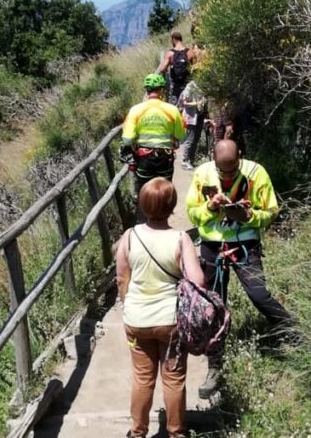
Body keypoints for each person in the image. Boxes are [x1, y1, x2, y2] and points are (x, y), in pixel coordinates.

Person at [185, 139, 292, 399]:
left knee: (258, 294)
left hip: (246, 245)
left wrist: (249, 217)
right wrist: (210, 208)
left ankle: (293, 332)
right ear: (214, 159)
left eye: (233, 171)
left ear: (240, 157)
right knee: (214, 304)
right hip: (213, 246)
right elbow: (192, 213)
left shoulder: (256, 173)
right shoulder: (203, 174)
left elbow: (272, 211)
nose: (228, 176)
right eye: (224, 172)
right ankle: (215, 366)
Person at [117, 178, 207, 438]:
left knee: (142, 378)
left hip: (137, 319)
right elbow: (197, 280)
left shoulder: (130, 236)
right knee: (174, 378)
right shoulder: (181, 239)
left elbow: (122, 277)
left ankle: (137, 432)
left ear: (143, 205)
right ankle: (177, 432)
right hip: (171, 321)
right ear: (172, 206)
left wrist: (127, 304)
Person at [121, 74, 186, 222]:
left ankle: (144, 224)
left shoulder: (136, 110)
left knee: (145, 191)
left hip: (144, 158)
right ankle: (163, 222)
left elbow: (127, 138)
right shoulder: (172, 110)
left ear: (146, 90)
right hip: (165, 158)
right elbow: (180, 135)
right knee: (164, 191)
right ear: (162, 90)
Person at [156, 31, 196, 106]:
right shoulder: (190, 52)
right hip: (187, 85)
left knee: (174, 106)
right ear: (181, 39)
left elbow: (162, 69)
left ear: (173, 39)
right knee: (187, 105)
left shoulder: (170, 53)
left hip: (175, 86)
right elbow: (195, 69)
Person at [178, 80, 205, 170]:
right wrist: (196, 104)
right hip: (190, 117)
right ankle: (185, 161)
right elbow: (185, 103)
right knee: (190, 140)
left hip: (199, 116)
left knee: (196, 139)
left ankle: (191, 160)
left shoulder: (202, 86)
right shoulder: (190, 87)